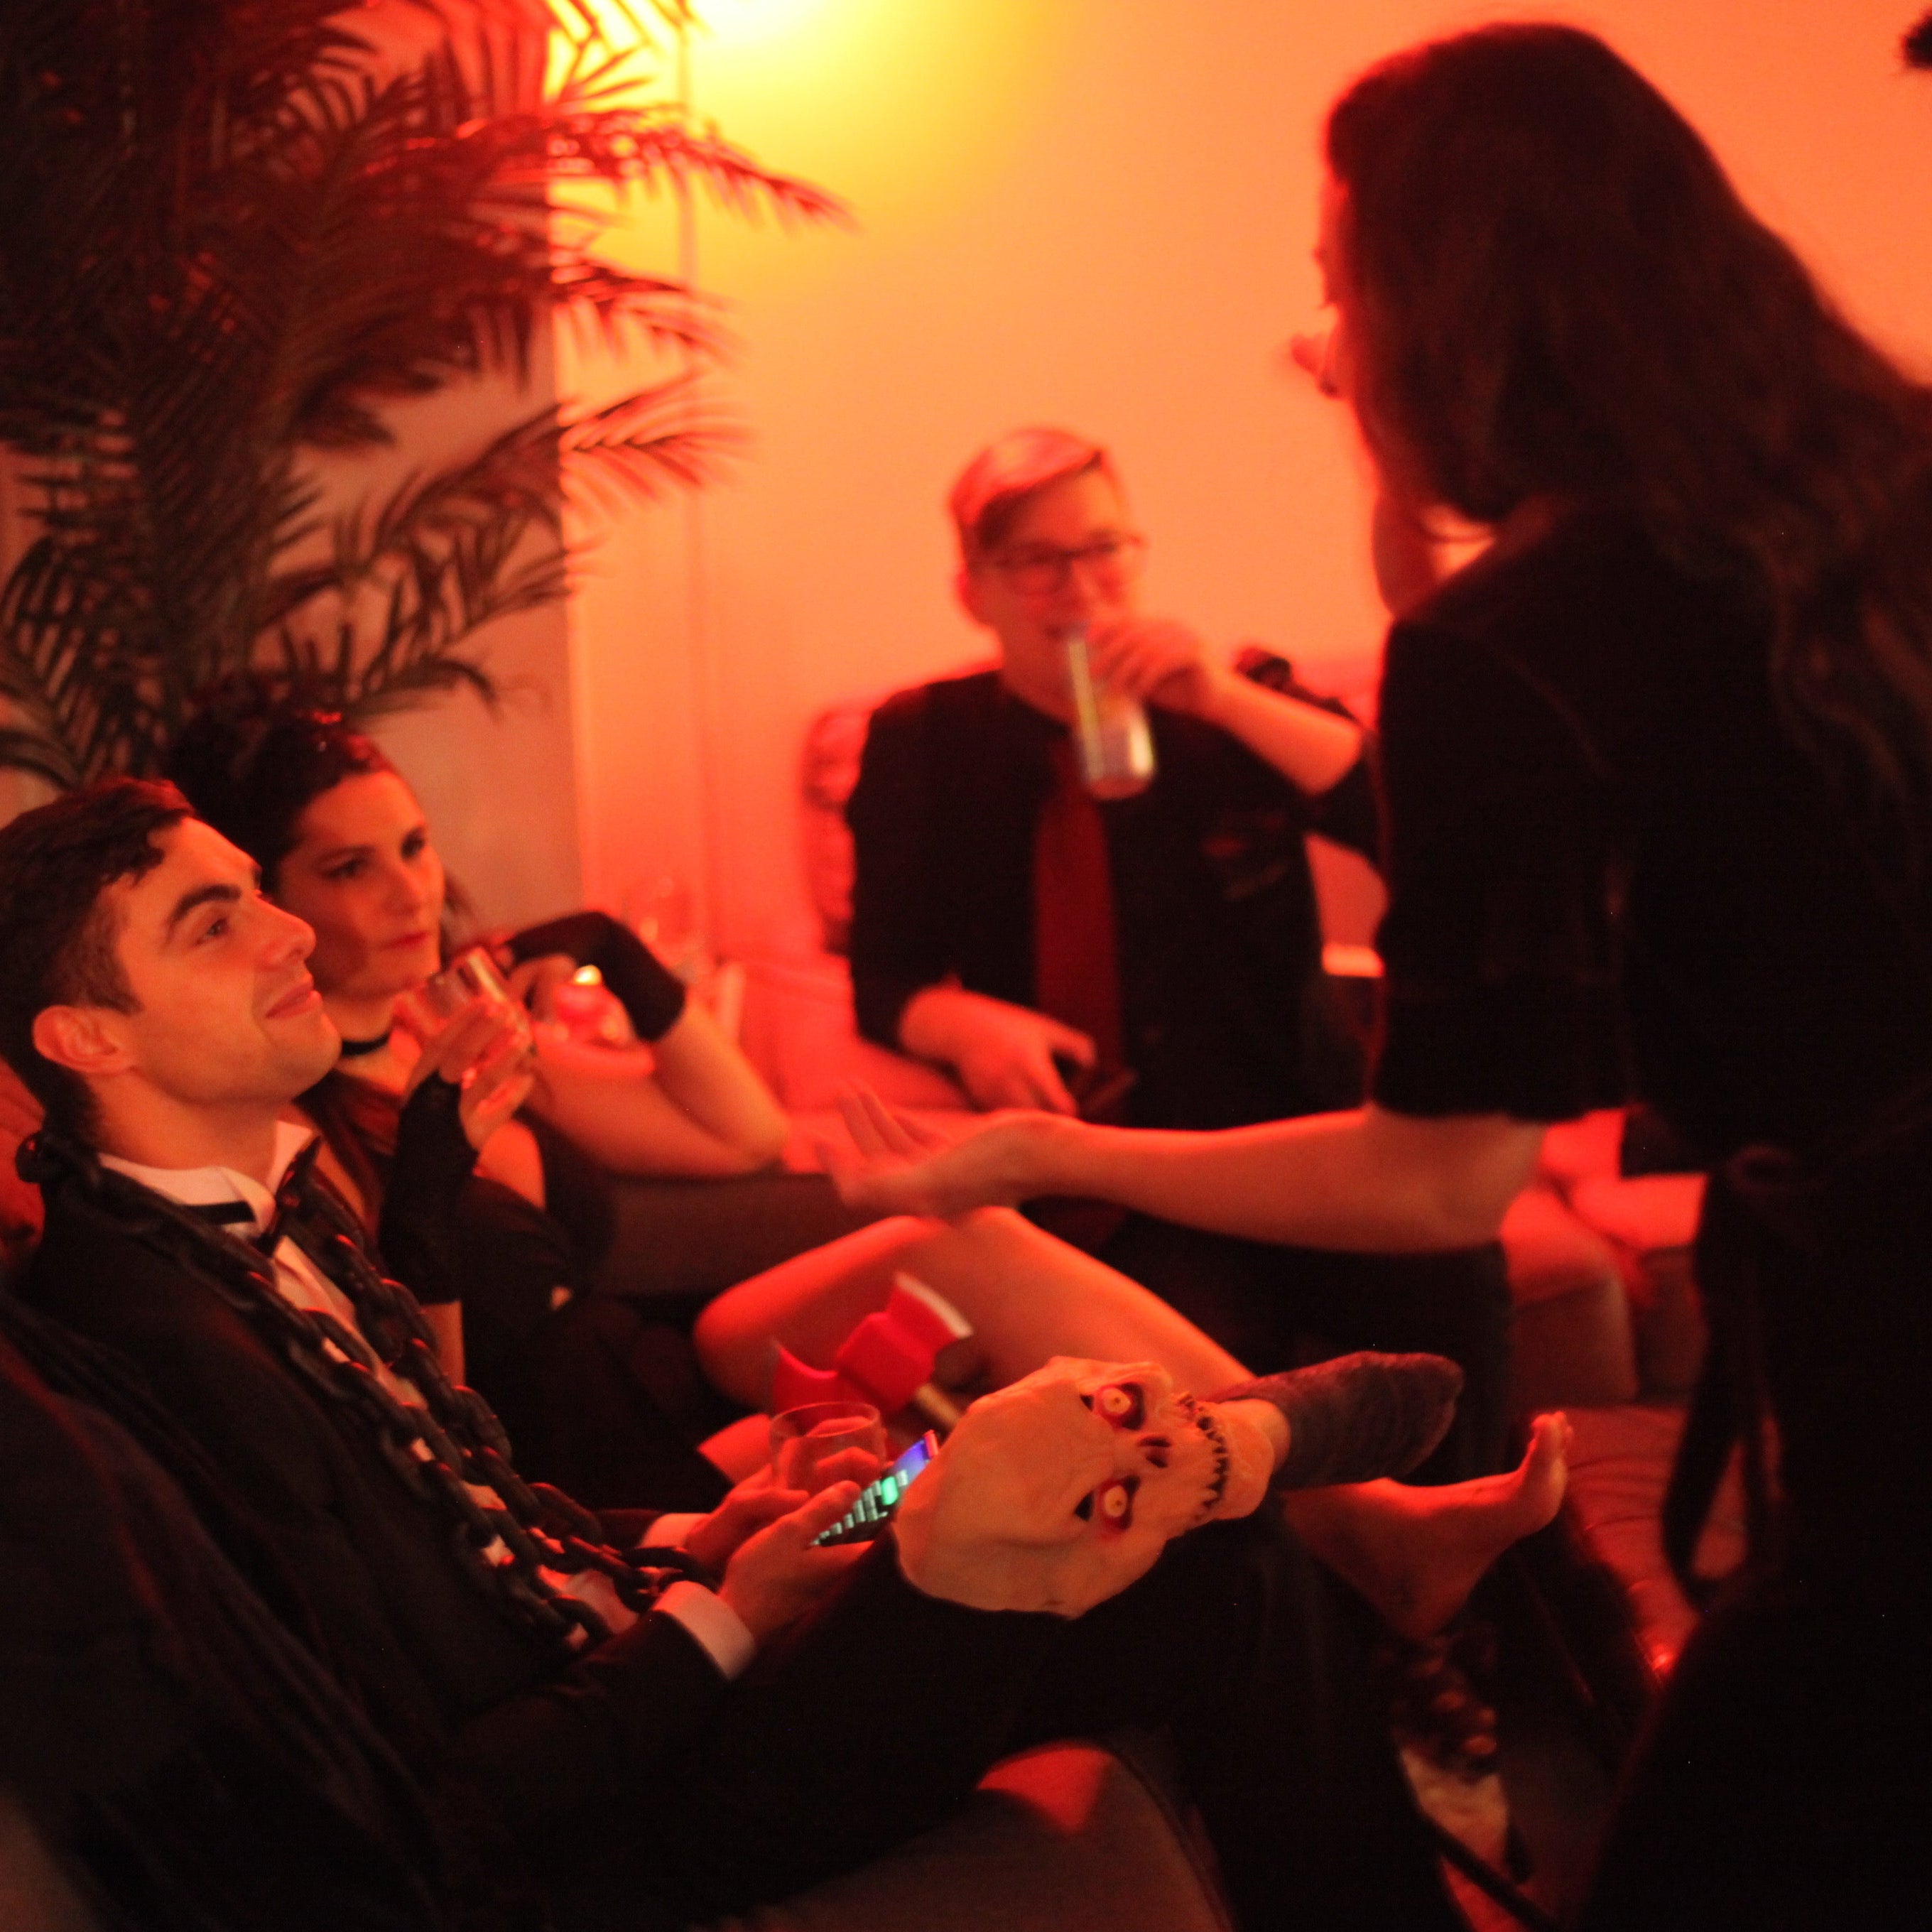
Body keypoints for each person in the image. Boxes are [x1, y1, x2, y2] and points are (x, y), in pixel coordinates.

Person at [831, 23, 1932, 1928]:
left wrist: (1038, 1166)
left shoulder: (1498, 642)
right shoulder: (1874, 483)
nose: (1328, 326)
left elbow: (1443, 1166)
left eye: (1343, 278)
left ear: (1440, 304)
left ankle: (1491, 1705)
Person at [0, 777, 1544, 1931]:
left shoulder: (256, 1204)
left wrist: (705, 1538)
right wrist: (727, 1619)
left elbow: (462, 1517)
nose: (291, 929)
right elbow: (429, 1767)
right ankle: (1284, 1444)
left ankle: (1282, 1495)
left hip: (663, 1633)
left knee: (1210, 1563)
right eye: (219, 919)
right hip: (641, 1803)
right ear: (87, 1038)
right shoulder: (150, 1335)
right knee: (1097, 1508)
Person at [847, 428, 1512, 1479]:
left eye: (1106, 548)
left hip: (1303, 1138)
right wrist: (966, 1022)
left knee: (1452, 1296)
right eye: (1037, 560)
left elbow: (1421, 830)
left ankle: (1475, 1586)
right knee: (1192, 1405)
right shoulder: (921, 743)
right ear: (974, 589)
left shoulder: (1236, 697)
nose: (1081, 586)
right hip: (1123, 1176)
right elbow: (880, 977)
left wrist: (1225, 701)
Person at [166, 695, 875, 1501]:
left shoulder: (449, 1031)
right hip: (576, 1498)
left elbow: (742, 1133)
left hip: (670, 1406)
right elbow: (410, 1413)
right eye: (350, 868)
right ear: (272, 904)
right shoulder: (287, 1121)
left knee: (956, 1313)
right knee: (913, 1472)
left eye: (415, 847)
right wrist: (425, 1189)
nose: (413, 893)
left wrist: (612, 945)